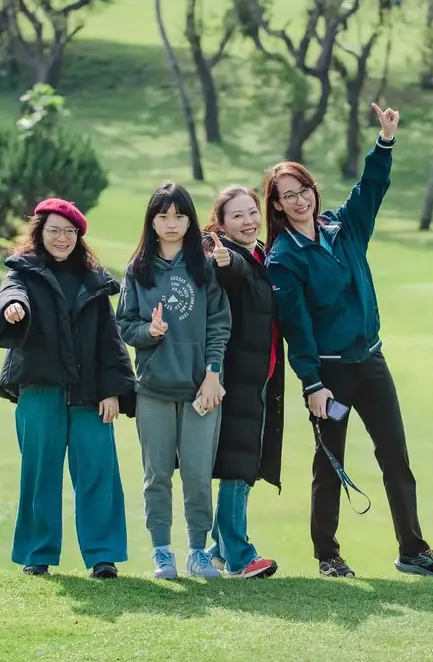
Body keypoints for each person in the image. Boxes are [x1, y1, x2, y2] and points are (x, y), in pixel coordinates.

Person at [264, 103, 433, 579]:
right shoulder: (283, 258)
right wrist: (312, 384)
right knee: (329, 464)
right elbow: (296, 328)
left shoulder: (343, 227)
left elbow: (370, 188)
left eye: (303, 190)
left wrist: (384, 142)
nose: (300, 200)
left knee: (396, 457)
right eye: (288, 196)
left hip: (371, 363)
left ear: (313, 190)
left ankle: (413, 550)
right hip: (329, 376)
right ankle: (327, 555)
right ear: (277, 205)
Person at [0, 198, 136, 579]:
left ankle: (103, 557)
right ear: (40, 233)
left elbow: (110, 339)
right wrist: (12, 309)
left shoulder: (93, 279)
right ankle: (37, 555)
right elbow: (8, 297)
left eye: (69, 232)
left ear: (78, 237)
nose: (62, 238)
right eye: (54, 230)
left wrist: (114, 390)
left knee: (99, 471)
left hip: (91, 393)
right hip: (40, 390)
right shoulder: (22, 273)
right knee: (40, 474)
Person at [117, 182, 232, 580]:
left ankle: (198, 552)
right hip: (153, 390)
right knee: (157, 476)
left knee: (198, 475)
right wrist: (149, 332)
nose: (171, 223)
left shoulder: (205, 267)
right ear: (151, 221)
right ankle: (162, 553)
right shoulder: (137, 270)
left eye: (179, 216)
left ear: (190, 220)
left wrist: (213, 374)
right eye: (163, 216)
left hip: (201, 389)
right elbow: (124, 324)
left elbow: (219, 324)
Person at [199, 185, 285, 579]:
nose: (248, 221)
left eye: (252, 212)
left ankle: (219, 549)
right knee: (239, 463)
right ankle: (239, 555)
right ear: (221, 225)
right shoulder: (229, 255)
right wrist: (221, 258)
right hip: (235, 377)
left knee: (245, 459)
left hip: (260, 377)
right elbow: (227, 268)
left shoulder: (261, 253)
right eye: (237, 215)